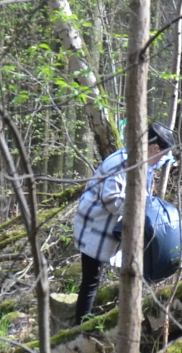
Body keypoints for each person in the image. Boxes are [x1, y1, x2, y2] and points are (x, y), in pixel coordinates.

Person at [70, 123, 176, 325]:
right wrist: (139, 210)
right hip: (95, 227)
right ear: (154, 148)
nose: (162, 161)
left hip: (113, 227)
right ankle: (80, 328)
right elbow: (111, 200)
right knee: (91, 280)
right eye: (162, 155)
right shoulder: (122, 163)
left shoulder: (142, 163)